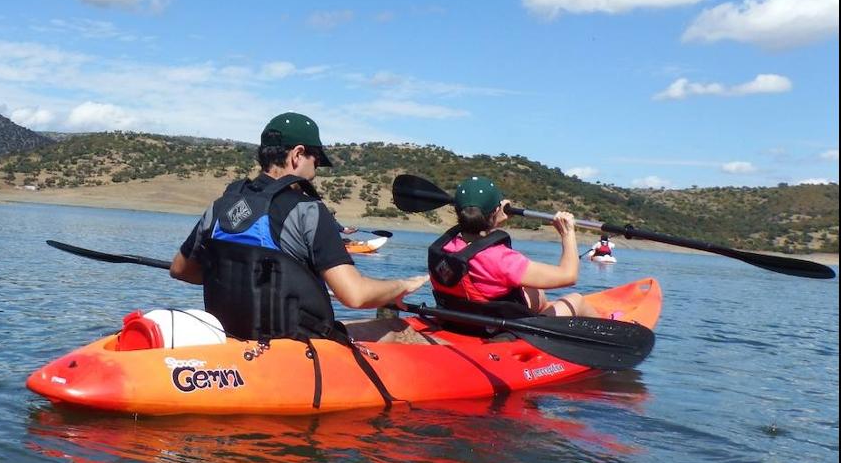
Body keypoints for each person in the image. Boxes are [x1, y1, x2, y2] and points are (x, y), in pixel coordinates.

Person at [169, 111, 429, 342]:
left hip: (232, 339)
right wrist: (402, 286)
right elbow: (355, 295)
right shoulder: (309, 211)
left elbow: (181, 270)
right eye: (315, 160)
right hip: (299, 351)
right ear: (297, 154)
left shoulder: (220, 206)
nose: (316, 169)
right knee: (399, 330)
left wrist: (242, 281)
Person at [427, 175, 600, 320]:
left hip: (463, 318)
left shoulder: (444, 249)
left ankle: (546, 308)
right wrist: (567, 233)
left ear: (457, 211)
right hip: (500, 328)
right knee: (576, 300)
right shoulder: (501, 259)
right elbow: (569, 276)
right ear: (496, 211)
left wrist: (492, 222)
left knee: (531, 287)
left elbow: (476, 240)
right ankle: (616, 332)